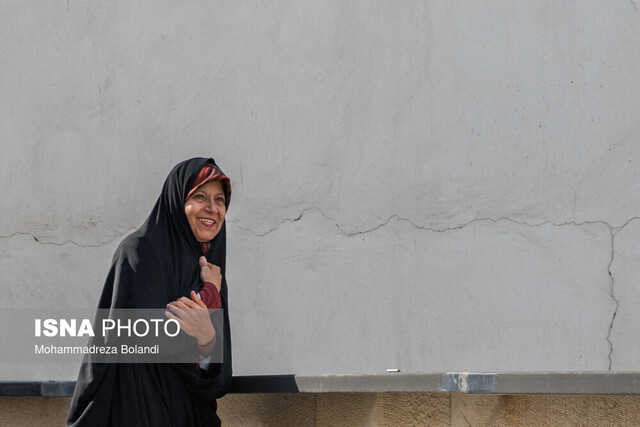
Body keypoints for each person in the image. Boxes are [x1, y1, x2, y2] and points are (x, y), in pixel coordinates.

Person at [68, 157, 233, 426]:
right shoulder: (138, 254)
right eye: (200, 196)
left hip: (192, 416)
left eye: (220, 200)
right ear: (178, 202)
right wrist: (210, 297)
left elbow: (215, 378)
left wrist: (207, 339)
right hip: (141, 410)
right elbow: (153, 341)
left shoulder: (208, 269)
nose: (212, 208)